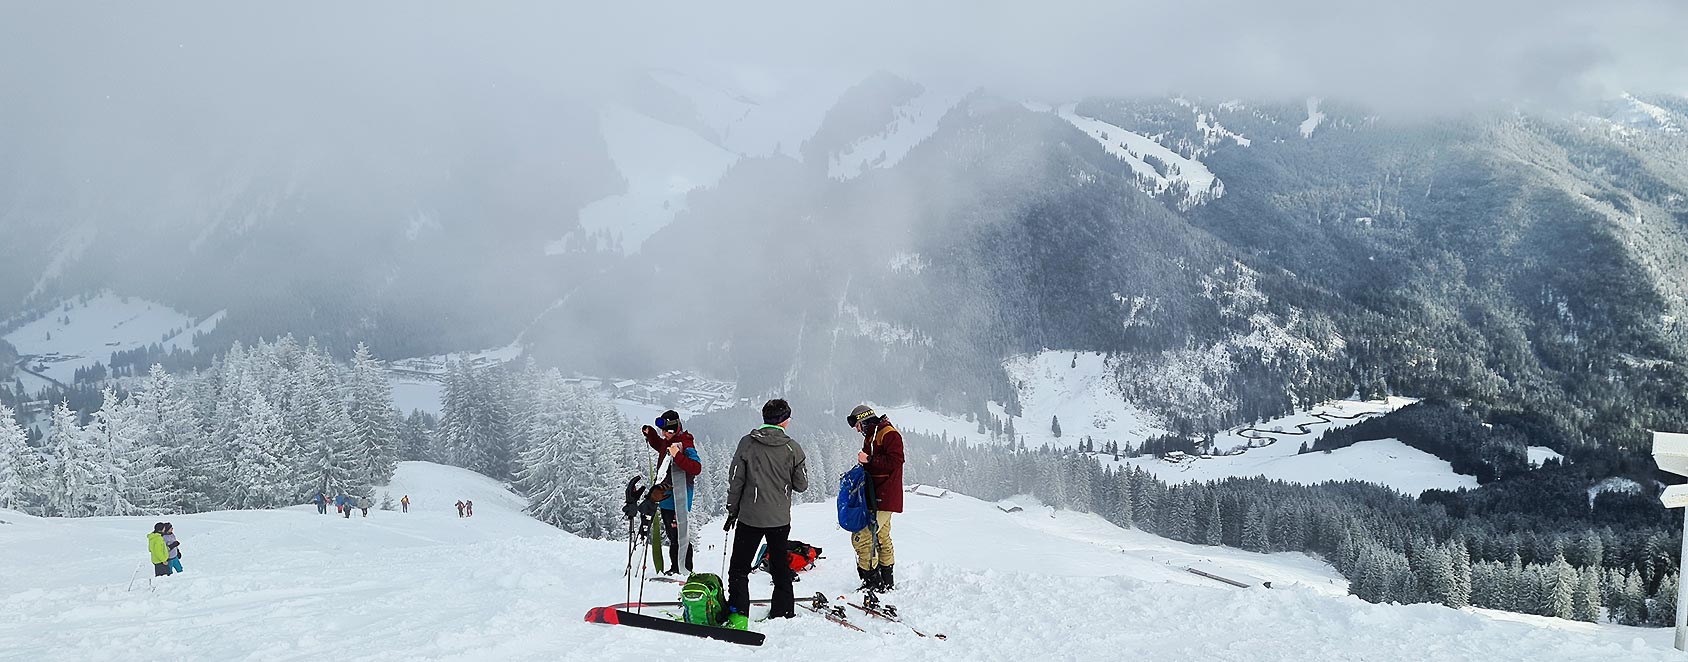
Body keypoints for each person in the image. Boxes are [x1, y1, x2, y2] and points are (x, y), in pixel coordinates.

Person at [723, 399, 808, 630]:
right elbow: (802, 485)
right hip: (779, 519)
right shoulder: (793, 448)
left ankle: (739, 614)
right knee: (780, 568)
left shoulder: (747, 443)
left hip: (750, 517)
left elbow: (736, 481)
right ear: (785, 421)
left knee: (739, 568)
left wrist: (732, 511)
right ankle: (783, 612)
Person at [847, 404, 905, 592]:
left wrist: (869, 460)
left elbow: (896, 461)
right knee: (881, 536)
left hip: (885, 495)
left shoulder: (888, 434)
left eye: (857, 425)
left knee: (863, 535)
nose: (857, 430)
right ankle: (886, 582)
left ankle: (872, 582)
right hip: (875, 495)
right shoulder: (872, 435)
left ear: (863, 420)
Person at [642, 409, 702, 574]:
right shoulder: (668, 441)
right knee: (672, 536)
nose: (663, 434)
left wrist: (677, 456)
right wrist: (651, 434)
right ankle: (675, 568)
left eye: (664, 431)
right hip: (666, 498)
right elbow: (659, 446)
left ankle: (684, 569)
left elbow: (696, 467)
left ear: (673, 429)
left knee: (681, 536)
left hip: (680, 499)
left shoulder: (685, 443)